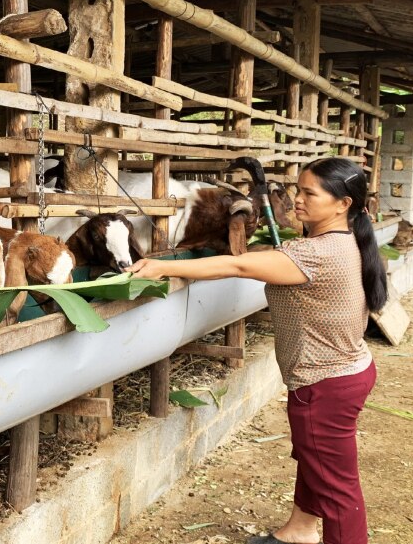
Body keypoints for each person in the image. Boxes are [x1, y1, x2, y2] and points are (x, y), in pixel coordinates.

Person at [128, 157, 387, 544]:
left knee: (338, 488)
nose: (296, 199)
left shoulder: (317, 254)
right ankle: (299, 530)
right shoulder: (346, 240)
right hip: (347, 373)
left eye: (308, 193)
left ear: (343, 204)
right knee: (315, 459)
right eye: (297, 189)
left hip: (325, 383)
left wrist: (163, 268)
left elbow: (241, 267)